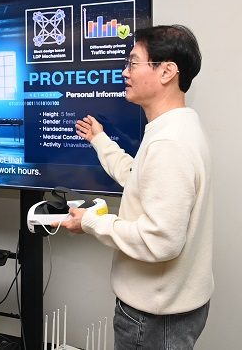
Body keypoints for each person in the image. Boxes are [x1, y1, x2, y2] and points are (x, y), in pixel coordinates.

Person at [58, 25, 212, 349]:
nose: (124, 72)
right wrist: (100, 140)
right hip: (167, 310)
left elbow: (160, 241)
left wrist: (90, 222)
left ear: (166, 71)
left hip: (153, 319)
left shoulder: (169, 143)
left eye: (133, 62)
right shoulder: (177, 126)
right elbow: (140, 177)